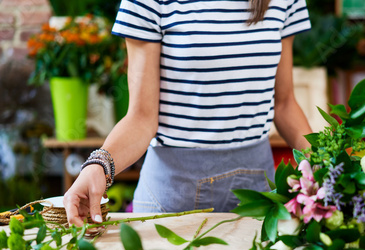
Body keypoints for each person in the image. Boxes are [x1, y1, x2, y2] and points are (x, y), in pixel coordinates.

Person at [64, 0, 313, 227]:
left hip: (259, 195)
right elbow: (141, 118)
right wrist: (99, 165)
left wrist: (321, 159)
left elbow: (284, 103)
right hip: (172, 198)